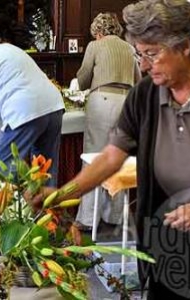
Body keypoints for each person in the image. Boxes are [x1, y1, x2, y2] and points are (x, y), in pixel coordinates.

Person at [32, 0, 190, 299]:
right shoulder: (144, 94)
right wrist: (59, 196)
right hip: (168, 222)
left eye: (152, 54)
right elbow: (110, 157)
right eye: (139, 55)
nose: (142, 65)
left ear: (184, 46)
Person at [0, 31, 65, 186]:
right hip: (54, 104)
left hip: (25, 110)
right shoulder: (8, 48)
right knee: (44, 173)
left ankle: (2, 209)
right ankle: (45, 210)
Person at [74, 12, 141, 232]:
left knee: (94, 157)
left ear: (99, 32)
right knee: (118, 158)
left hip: (102, 100)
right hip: (127, 103)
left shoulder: (96, 45)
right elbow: (139, 81)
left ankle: (87, 218)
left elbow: (83, 79)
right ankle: (114, 216)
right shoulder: (129, 48)